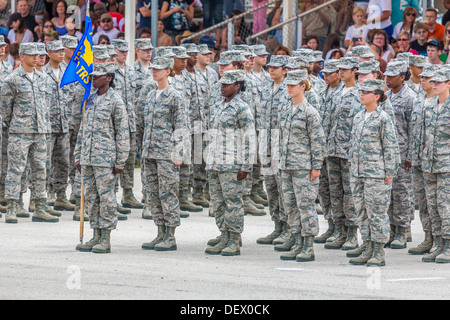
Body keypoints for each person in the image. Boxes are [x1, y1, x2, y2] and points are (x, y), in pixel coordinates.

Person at [74, 62, 130, 254]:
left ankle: (105, 237)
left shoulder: (116, 101)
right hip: (87, 158)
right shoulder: (89, 99)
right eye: (92, 76)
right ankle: (95, 233)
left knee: (106, 198)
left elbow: (122, 133)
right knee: (91, 197)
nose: (93, 78)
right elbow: (83, 129)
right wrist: (78, 155)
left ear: (109, 77)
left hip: (105, 159)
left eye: (98, 76)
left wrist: (120, 161)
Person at [1, 43, 55, 223]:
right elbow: (5, 109)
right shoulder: (12, 79)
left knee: (40, 169)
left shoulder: (43, 78)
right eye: (31, 55)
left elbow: (47, 105)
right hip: (20, 131)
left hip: (40, 131)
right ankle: (12, 206)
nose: (35, 57)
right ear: (22, 56)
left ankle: (39, 205)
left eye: (36, 54)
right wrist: (15, 125)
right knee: (15, 170)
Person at [348, 78, 399, 267]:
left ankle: (378, 252)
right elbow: (353, 145)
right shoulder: (359, 116)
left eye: (366, 92)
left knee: (376, 213)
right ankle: (368, 246)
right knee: (361, 212)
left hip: (376, 174)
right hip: (358, 173)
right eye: (361, 91)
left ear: (376, 96)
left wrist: (389, 172)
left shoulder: (383, 118)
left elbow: (390, 147)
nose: (362, 95)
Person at [204, 69, 255, 256]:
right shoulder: (219, 106)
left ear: (237, 86)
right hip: (215, 162)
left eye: (227, 84)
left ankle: (234, 239)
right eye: (221, 84)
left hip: (232, 164)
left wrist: (246, 166)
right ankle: (224, 235)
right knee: (218, 203)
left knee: (233, 202)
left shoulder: (242, 109)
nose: (222, 87)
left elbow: (249, 138)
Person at [140, 56, 188, 251]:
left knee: (167, 193)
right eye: (153, 69)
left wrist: (179, 154)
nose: (154, 72)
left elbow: (182, 127)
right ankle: (160, 231)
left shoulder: (175, 96)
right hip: (149, 152)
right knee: (152, 193)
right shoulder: (151, 95)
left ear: (168, 71)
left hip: (167, 153)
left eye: (158, 69)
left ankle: (170, 234)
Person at [277, 69, 325, 262]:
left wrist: (316, 166)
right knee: (290, 206)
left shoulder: (309, 112)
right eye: (287, 85)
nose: (288, 88)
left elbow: (317, 142)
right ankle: (296, 240)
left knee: (305, 206)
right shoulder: (286, 109)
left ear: (303, 86)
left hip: (304, 167)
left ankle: (308, 245)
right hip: (287, 165)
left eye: (292, 85)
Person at [322, 56, 363, 251]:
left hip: (349, 152)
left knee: (350, 193)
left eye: (345, 69)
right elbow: (327, 121)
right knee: (335, 192)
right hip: (332, 149)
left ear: (355, 70)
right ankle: (339, 229)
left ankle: (352, 232)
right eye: (340, 69)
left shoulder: (360, 93)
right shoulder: (335, 92)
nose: (341, 72)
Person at [384, 60, 416, 249]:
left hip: (403, 153)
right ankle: (391, 229)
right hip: (388, 154)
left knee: (402, 193)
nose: (387, 79)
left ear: (402, 78)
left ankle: (403, 230)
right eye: (386, 75)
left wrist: (411, 155)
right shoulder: (385, 96)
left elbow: (414, 129)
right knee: (388, 193)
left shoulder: (410, 97)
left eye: (392, 76)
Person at [407, 62, 438, 256]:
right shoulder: (418, 99)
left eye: (427, 78)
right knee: (423, 202)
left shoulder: (442, 102)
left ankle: (441, 239)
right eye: (422, 77)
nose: (423, 80)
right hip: (418, 160)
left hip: (436, 161)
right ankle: (428, 237)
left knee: (438, 204)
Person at [421, 69, 450, 263]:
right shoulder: (429, 105)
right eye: (434, 82)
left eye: (439, 82)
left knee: (445, 205)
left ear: (448, 84)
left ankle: (448, 244)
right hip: (429, 163)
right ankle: (438, 243)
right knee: (432, 206)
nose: (434, 85)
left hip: (447, 164)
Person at [42, 40, 74, 213]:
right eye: (57, 51)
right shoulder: (43, 73)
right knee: (46, 162)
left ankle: (61, 195)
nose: (61, 54)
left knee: (63, 162)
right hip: (48, 126)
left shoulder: (68, 72)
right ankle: (45, 196)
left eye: (63, 51)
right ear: (49, 54)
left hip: (63, 125)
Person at [111, 39, 140, 215]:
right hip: (115, 125)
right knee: (115, 161)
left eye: (126, 51)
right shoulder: (110, 72)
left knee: (129, 160)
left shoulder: (131, 71)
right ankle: (112, 197)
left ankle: (128, 193)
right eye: (121, 51)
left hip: (130, 122)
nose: (124, 54)